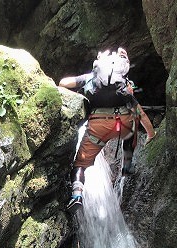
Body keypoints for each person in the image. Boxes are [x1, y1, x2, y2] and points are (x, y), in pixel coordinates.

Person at [59, 47, 157, 211]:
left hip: (99, 125)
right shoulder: (124, 84)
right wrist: (151, 134)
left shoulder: (91, 77)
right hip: (123, 123)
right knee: (130, 127)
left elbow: (63, 83)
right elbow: (140, 114)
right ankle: (127, 164)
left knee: (79, 164)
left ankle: (76, 195)